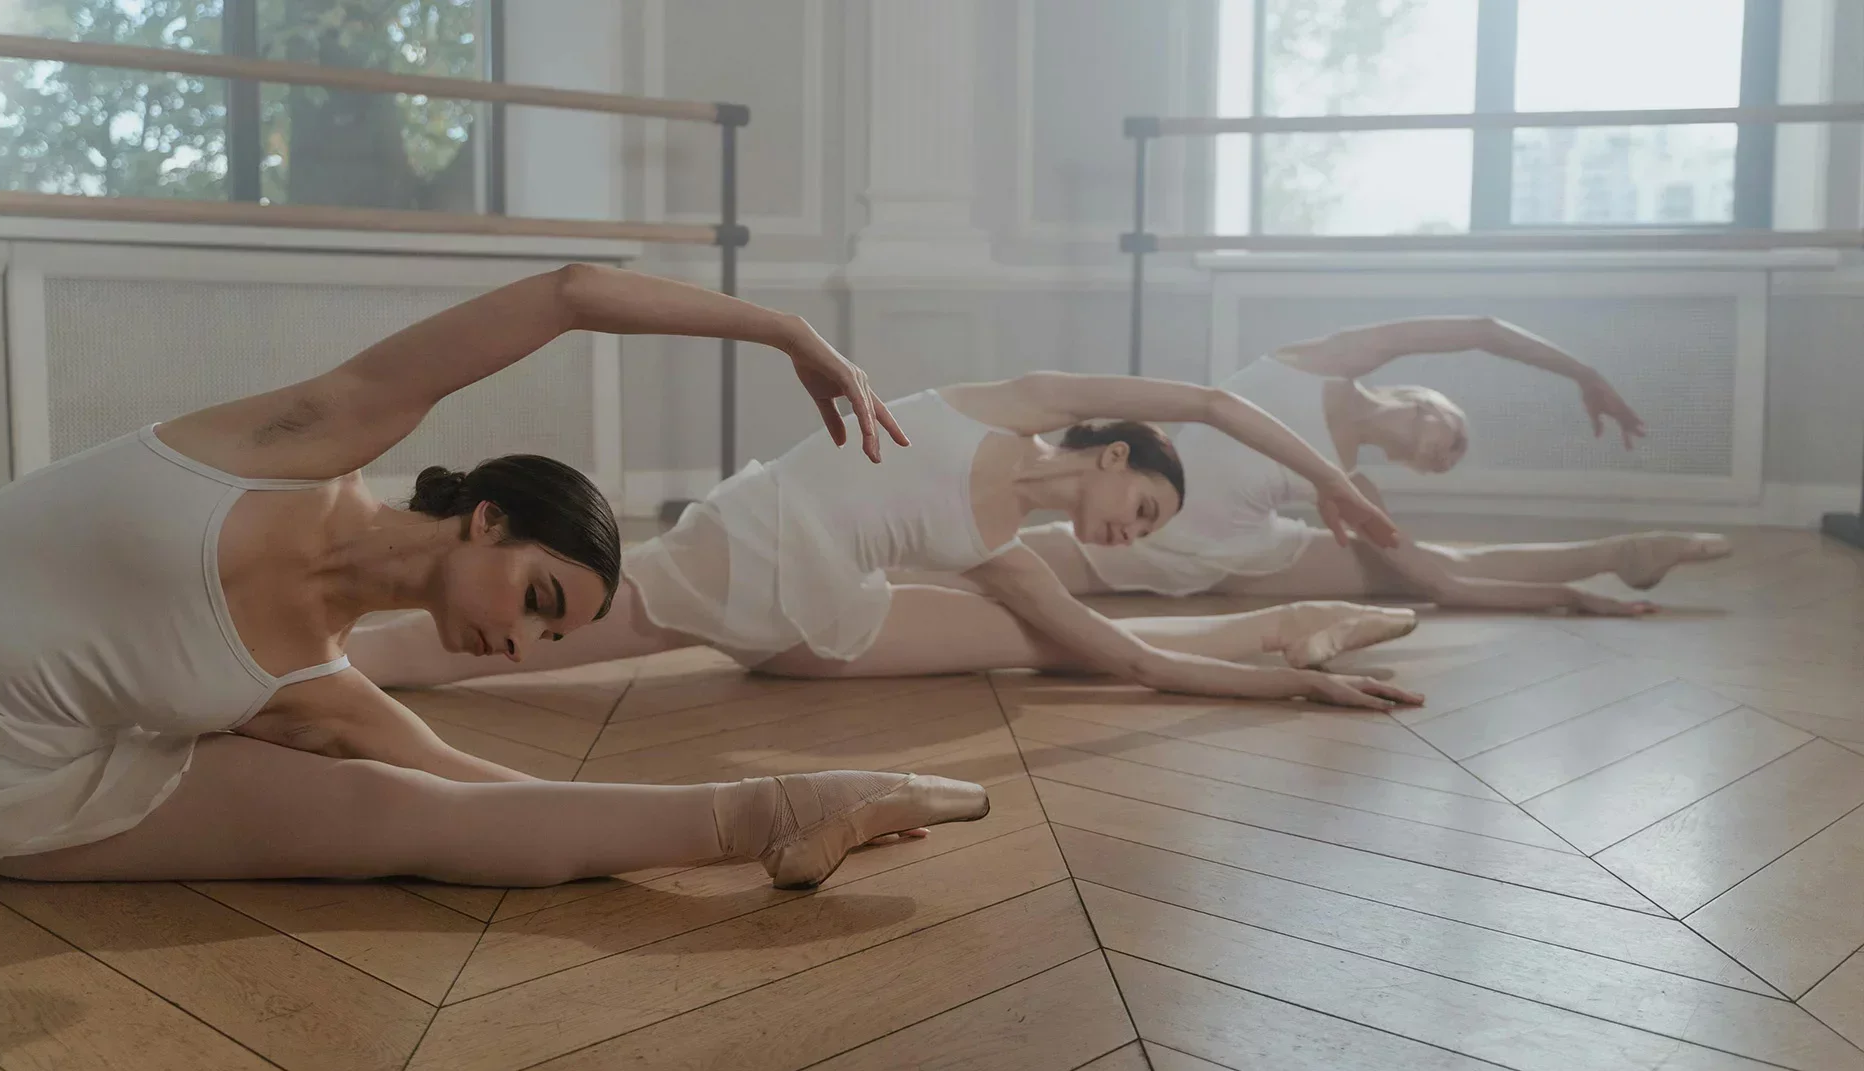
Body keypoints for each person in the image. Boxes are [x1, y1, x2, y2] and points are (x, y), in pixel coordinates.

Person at [0, 263, 990, 892]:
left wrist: (710, 812)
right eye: (539, 600)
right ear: (485, 519)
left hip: (31, 793)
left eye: (553, 640)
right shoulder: (307, 442)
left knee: (409, 818)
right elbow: (569, 295)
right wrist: (784, 331)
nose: (527, 647)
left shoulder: (313, 682)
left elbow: (506, 801)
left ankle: (784, 807)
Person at [348, 369, 1429, 711]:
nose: (1130, 533)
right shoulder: (1004, 405)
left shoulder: (1001, 544)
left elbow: (1133, 659)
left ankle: (1291, 633)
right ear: (1114, 455)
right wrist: (1338, 485)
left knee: (1060, 644)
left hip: (810, 628)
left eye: (1145, 533)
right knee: (505, 641)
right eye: (1144, 507)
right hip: (740, 564)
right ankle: (303, 671)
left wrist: (1282, 687)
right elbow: (1207, 398)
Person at [990, 317, 1731, 613]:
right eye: (1457, 436)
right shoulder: (1324, 366)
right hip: (1124, 526)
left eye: (1452, 464)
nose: (1449, 457)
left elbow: (1439, 582)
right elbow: (1478, 330)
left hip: (1232, 562)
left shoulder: (1353, 484)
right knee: (971, 559)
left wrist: (1573, 598)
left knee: (1438, 565)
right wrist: (1582, 372)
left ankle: (1622, 553)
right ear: (1423, 399)